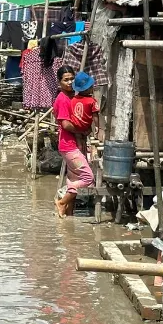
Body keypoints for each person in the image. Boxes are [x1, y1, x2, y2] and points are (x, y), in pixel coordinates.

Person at [53, 66, 95, 218]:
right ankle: (62, 201)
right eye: (66, 80)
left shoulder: (75, 97)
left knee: (75, 179)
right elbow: (66, 124)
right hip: (69, 145)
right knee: (88, 178)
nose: (70, 82)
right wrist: (82, 132)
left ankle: (69, 215)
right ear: (59, 82)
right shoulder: (62, 99)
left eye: (72, 79)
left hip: (76, 144)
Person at [69, 71, 99, 153]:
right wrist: (97, 126)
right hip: (85, 127)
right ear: (88, 88)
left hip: (73, 126)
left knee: (78, 141)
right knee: (83, 142)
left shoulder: (73, 99)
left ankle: (80, 151)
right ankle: (82, 154)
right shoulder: (92, 101)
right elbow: (95, 115)